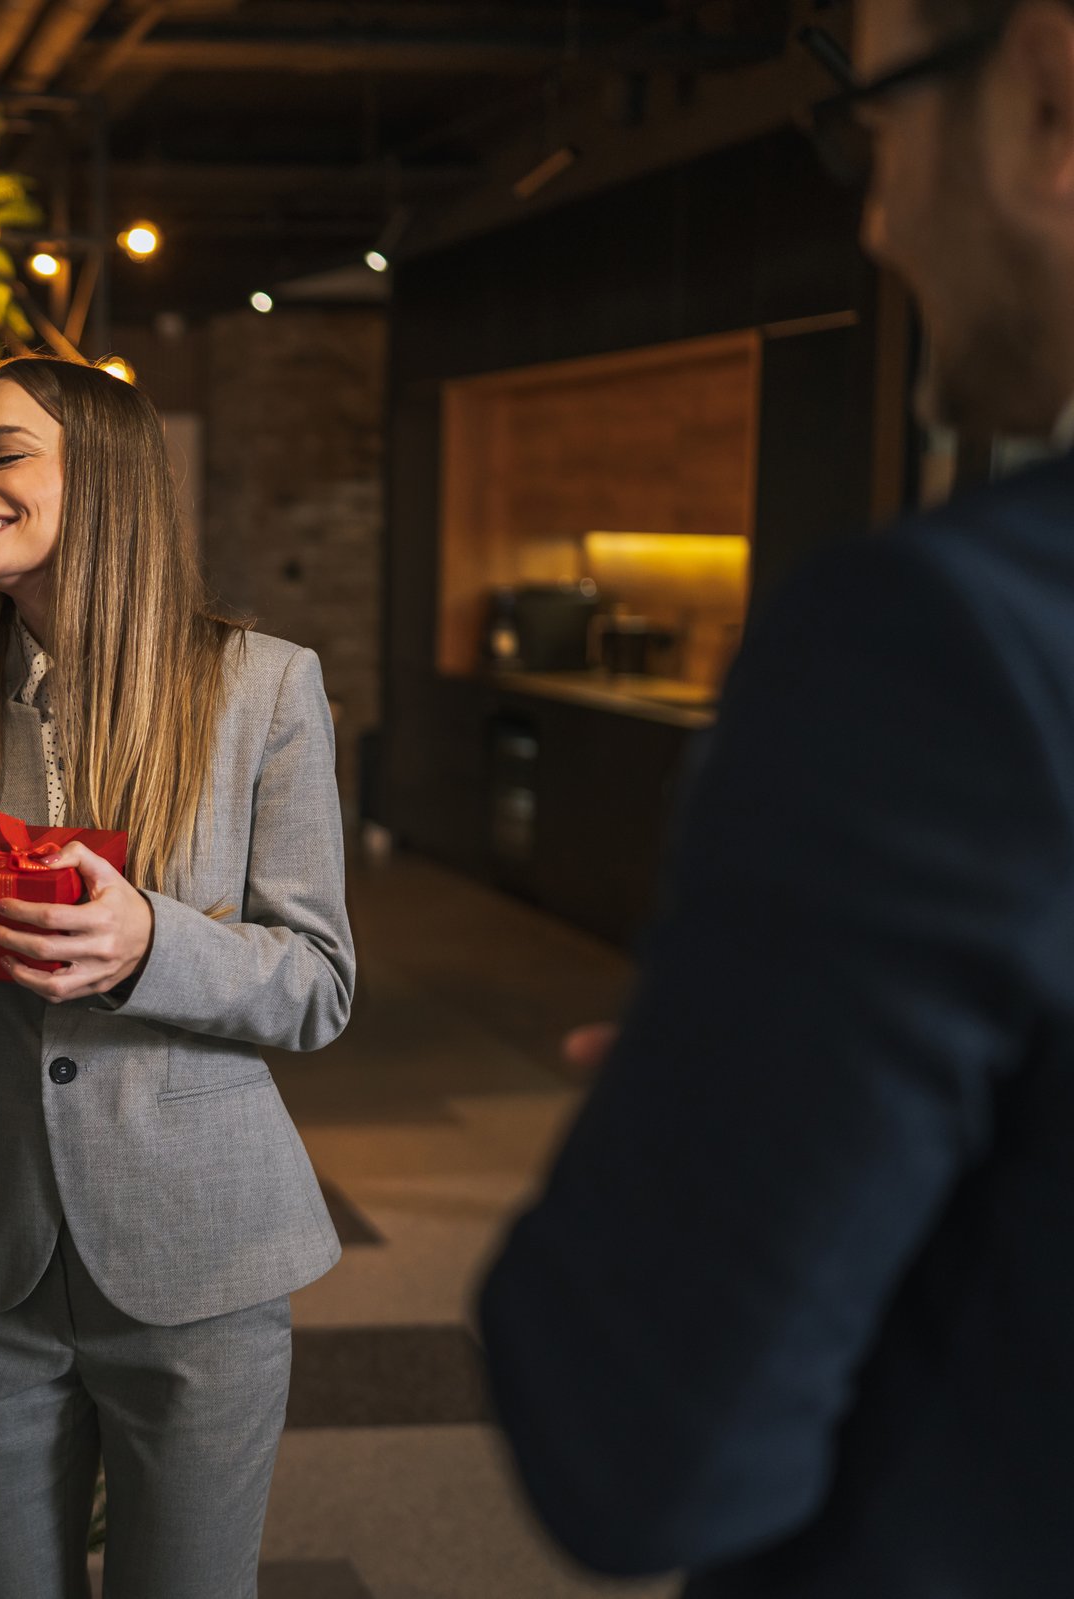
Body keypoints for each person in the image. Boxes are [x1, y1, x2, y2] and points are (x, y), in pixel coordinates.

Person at [480, 1, 1074, 1593]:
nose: (878, 219)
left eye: (875, 127)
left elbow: (644, 1449)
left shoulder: (948, 643)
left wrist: (691, 1125)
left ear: (1045, 88)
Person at [0, 356, 356, 1599]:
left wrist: (153, 944)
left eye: (1, 454)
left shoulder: (263, 687)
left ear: (104, 478)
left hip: (199, 1251)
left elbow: (318, 983)